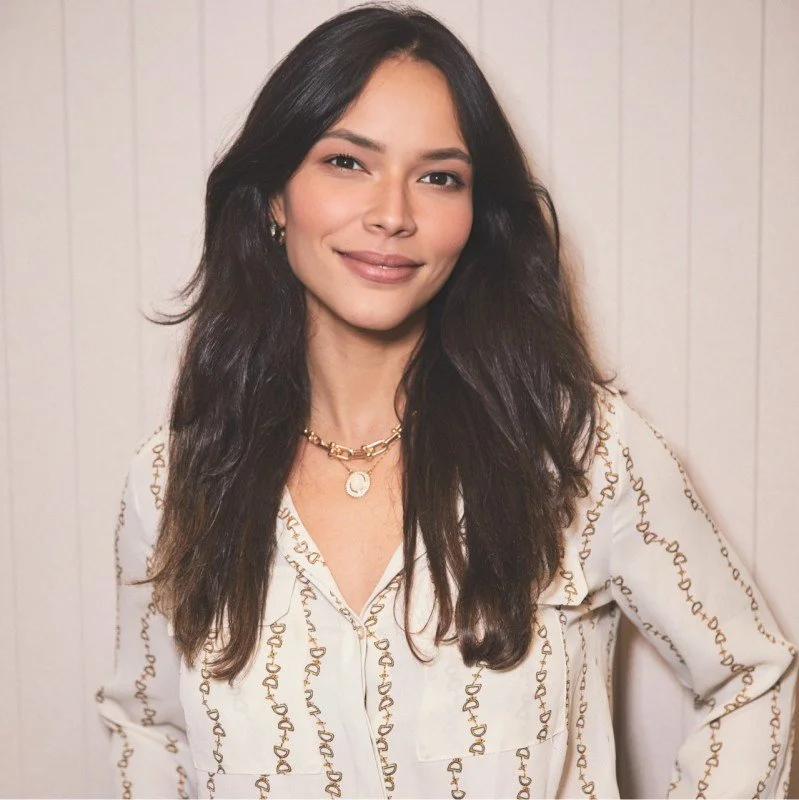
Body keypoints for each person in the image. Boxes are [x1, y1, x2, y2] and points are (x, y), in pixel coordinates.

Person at [95, 4, 797, 799]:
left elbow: (750, 673)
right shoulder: (172, 483)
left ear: (474, 216)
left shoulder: (576, 451)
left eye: (438, 177)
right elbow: (148, 724)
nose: (393, 214)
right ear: (273, 199)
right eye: (346, 163)